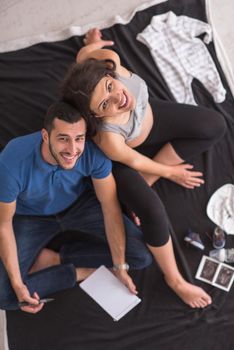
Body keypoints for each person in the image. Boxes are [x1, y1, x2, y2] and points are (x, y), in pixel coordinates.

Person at [61, 28, 227, 308]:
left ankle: (144, 183)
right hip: (125, 157)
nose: (118, 98)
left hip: (153, 118)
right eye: (105, 103)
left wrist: (92, 44)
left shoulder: (109, 59)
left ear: (110, 73)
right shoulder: (109, 139)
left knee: (216, 125)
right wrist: (171, 172)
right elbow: (134, 161)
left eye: (111, 86)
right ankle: (174, 279)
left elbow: (84, 57)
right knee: (151, 209)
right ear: (96, 115)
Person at [0, 101, 153, 313]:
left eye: (78, 139)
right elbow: (3, 225)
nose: (73, 149)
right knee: (6, 297)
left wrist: (119, 268)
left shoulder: (91, 151)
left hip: (79, 206)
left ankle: (55, 258)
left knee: (140, 256)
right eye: (63, 139)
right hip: (31, 217)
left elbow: (110, 207)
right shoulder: (12, 161)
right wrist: (18, 285)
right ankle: (80, 272)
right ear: (46, 136)